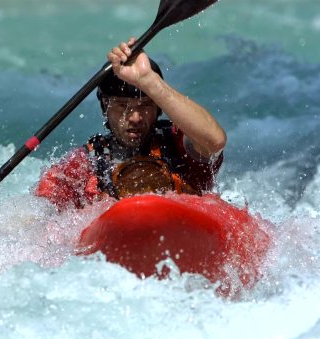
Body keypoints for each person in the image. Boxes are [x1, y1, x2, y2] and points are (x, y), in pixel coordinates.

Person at [35, 37, 226, 210]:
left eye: (145, 105)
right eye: (122, 105)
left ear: (159, 107)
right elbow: (35, 217)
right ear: (105, 107)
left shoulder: (179, 146)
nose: (135, 117)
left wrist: (149, 82)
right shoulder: (85, 165)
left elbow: (215, 140)